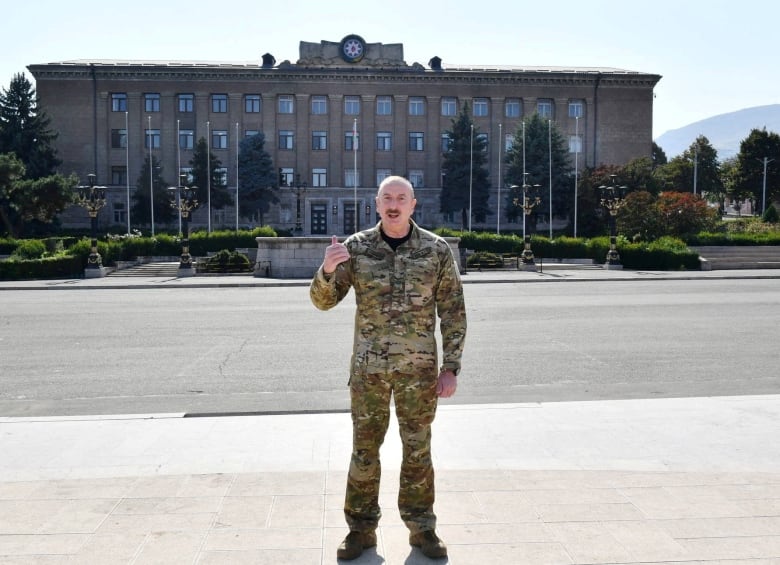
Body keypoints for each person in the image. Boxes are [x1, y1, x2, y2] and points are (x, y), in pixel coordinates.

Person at [310, 175, 467, 560]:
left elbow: (453, 311)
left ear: (414, 205)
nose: (394, 204)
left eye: (401, 198)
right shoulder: (356, 249)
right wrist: (327, 272)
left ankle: (422, 529)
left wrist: (451, 367)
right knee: (365, 450)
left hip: (419, 372)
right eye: (387, 198)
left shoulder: (436, 250)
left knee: (418, 450)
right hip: (369, 372)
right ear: (376, 205)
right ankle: (361, 531)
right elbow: (323, 302)